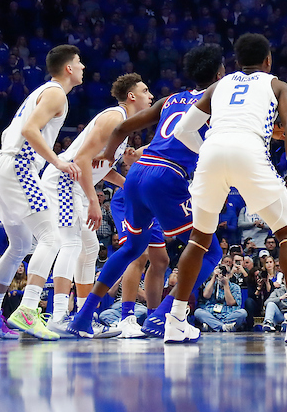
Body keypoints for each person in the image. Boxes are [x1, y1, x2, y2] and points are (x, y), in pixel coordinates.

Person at [165, 33, 287, 344]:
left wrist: (208, 151)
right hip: (250, 151)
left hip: (213, 151)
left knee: (199, 239)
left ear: (235, 61)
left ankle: (175, 321)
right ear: (268, 60)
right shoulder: (276, 84)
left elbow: (182, 129)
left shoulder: (220, 84)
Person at [68, 45, 228, 339]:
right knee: (210, 251)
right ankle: (163, 315)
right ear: (220, 75)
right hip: (166, 176)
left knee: (132, 248)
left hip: (137, 174)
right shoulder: (217, 101)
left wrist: (109, 154)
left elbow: (124, 127)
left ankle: (83, 317)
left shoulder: (171, 98)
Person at [0, 45, 83, 340]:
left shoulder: (44, 91)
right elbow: (31, 130)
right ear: (69, 68)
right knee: (51, 238)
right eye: (79, 62)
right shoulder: (57, 92)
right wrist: (57, 160)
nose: (83, 67)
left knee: (20, 244)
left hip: (4, 165)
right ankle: (28, 309)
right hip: (19, 165)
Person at [35, 73, 152, 335]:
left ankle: (84, 316)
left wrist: (128, 185)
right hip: (64, 181)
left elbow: (102, 167)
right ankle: (59, 317)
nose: (151, 96)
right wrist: (93, 201)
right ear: (131, 96)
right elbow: (84, 159)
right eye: (146, 91)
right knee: (72, 243)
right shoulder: (114, 117)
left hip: (77, 183)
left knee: (89, 248)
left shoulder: (125, 126)